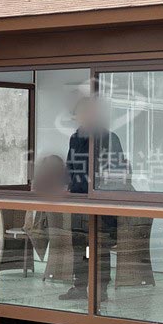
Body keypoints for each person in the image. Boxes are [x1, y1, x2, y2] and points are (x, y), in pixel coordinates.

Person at [59, 96, 125, 302]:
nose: (82, 117)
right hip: (79, 201)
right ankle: (79, 286)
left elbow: (117, 170)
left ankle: (100, 289)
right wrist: (67, 186)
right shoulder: (75, 138)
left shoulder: (108, 137)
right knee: (79, 245)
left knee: (100, 247)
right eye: (79, 114)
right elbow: (70, 166)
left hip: (100, 202)